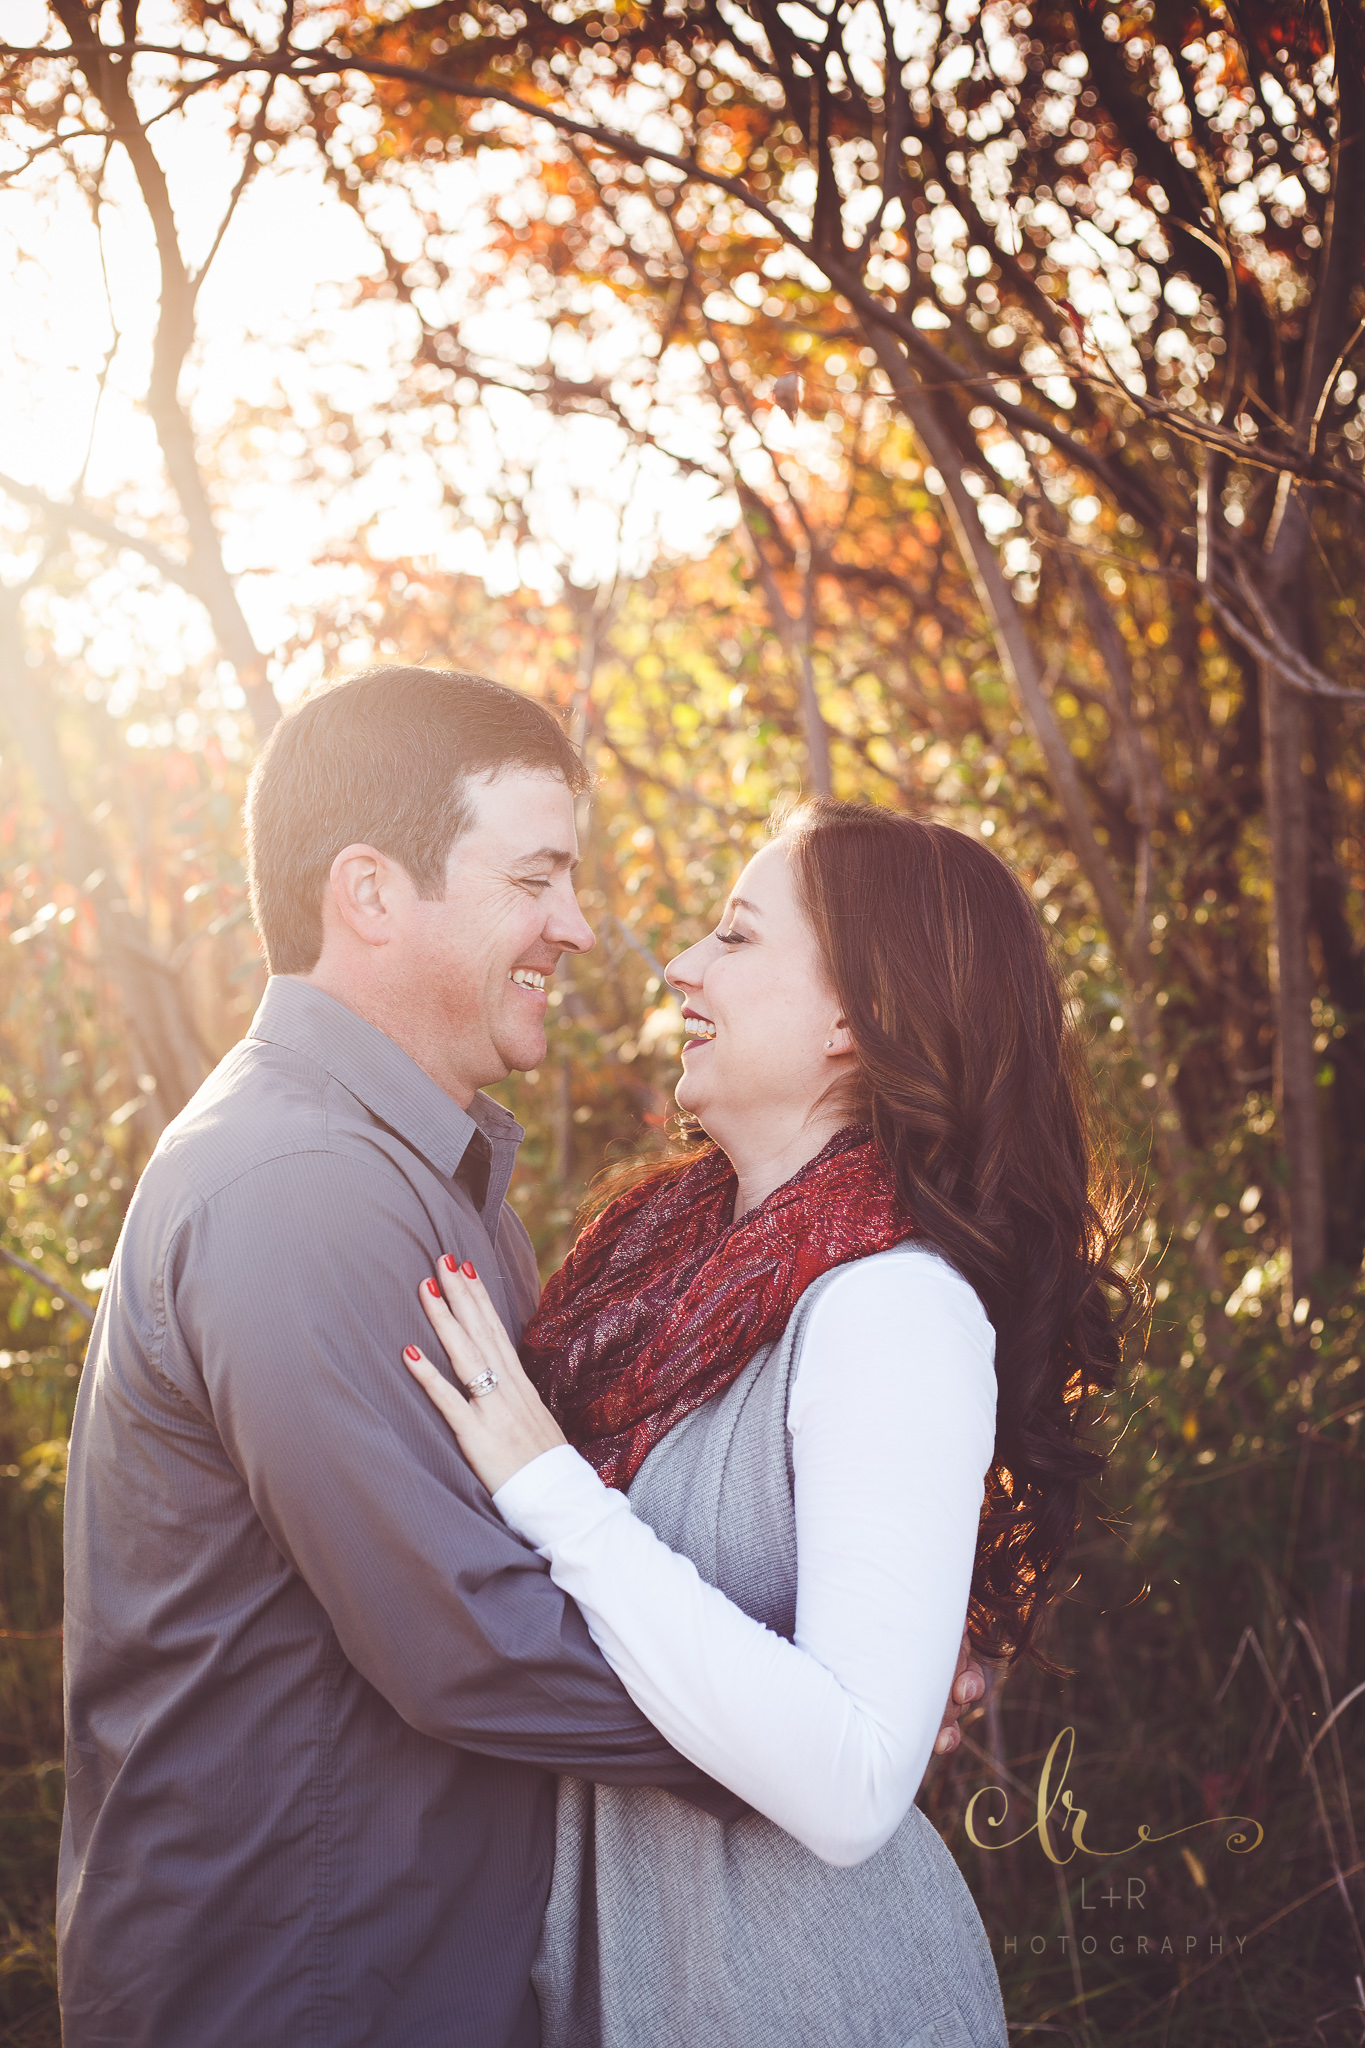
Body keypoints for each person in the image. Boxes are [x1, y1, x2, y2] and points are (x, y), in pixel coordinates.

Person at [58, 669, 979, 2048]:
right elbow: (467, 1636)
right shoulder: (301, 1187)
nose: (585, 928)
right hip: (302, 1973)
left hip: (431, 1958)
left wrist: (852, 1686)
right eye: (536, 878)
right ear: (371, 895)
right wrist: (820, 1731)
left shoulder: (437, 1183)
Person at [404, 798, 1130, 2048]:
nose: (679, 962)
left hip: (800, 1995)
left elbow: (852, 1784)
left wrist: (550, 1485)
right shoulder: (667, 1271)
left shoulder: (891, 1307)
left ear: (857, 1017)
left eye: (736, 938)